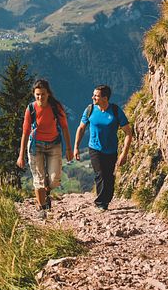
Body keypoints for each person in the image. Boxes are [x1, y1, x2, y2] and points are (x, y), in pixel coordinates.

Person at [17, 79, 72, 219]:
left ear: (48, 94)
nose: (40, 97)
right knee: (39, 179)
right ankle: (41, 208)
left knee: (54, 180)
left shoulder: (56, 107)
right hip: (35, 146)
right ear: (34, 94)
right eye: (37, 95)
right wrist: (21, 154)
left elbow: (65, 127)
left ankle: (46, 193)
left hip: (54, 145)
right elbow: (25, 131)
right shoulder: (31, 109)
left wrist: (69, 149)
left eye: (42, 94)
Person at [73, 84, 133, 211]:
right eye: (94, 95)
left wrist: (124, 154)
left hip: (111, 150)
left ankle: (106, 199)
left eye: (96, 96)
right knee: (100, 174)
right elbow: (81, 128)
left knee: (109, 176)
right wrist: (76, 147)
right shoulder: (90, 109)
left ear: (105, 98)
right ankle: (100, 203)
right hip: (94, 148)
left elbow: (128, 132)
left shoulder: (116, 111)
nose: (93, 97)